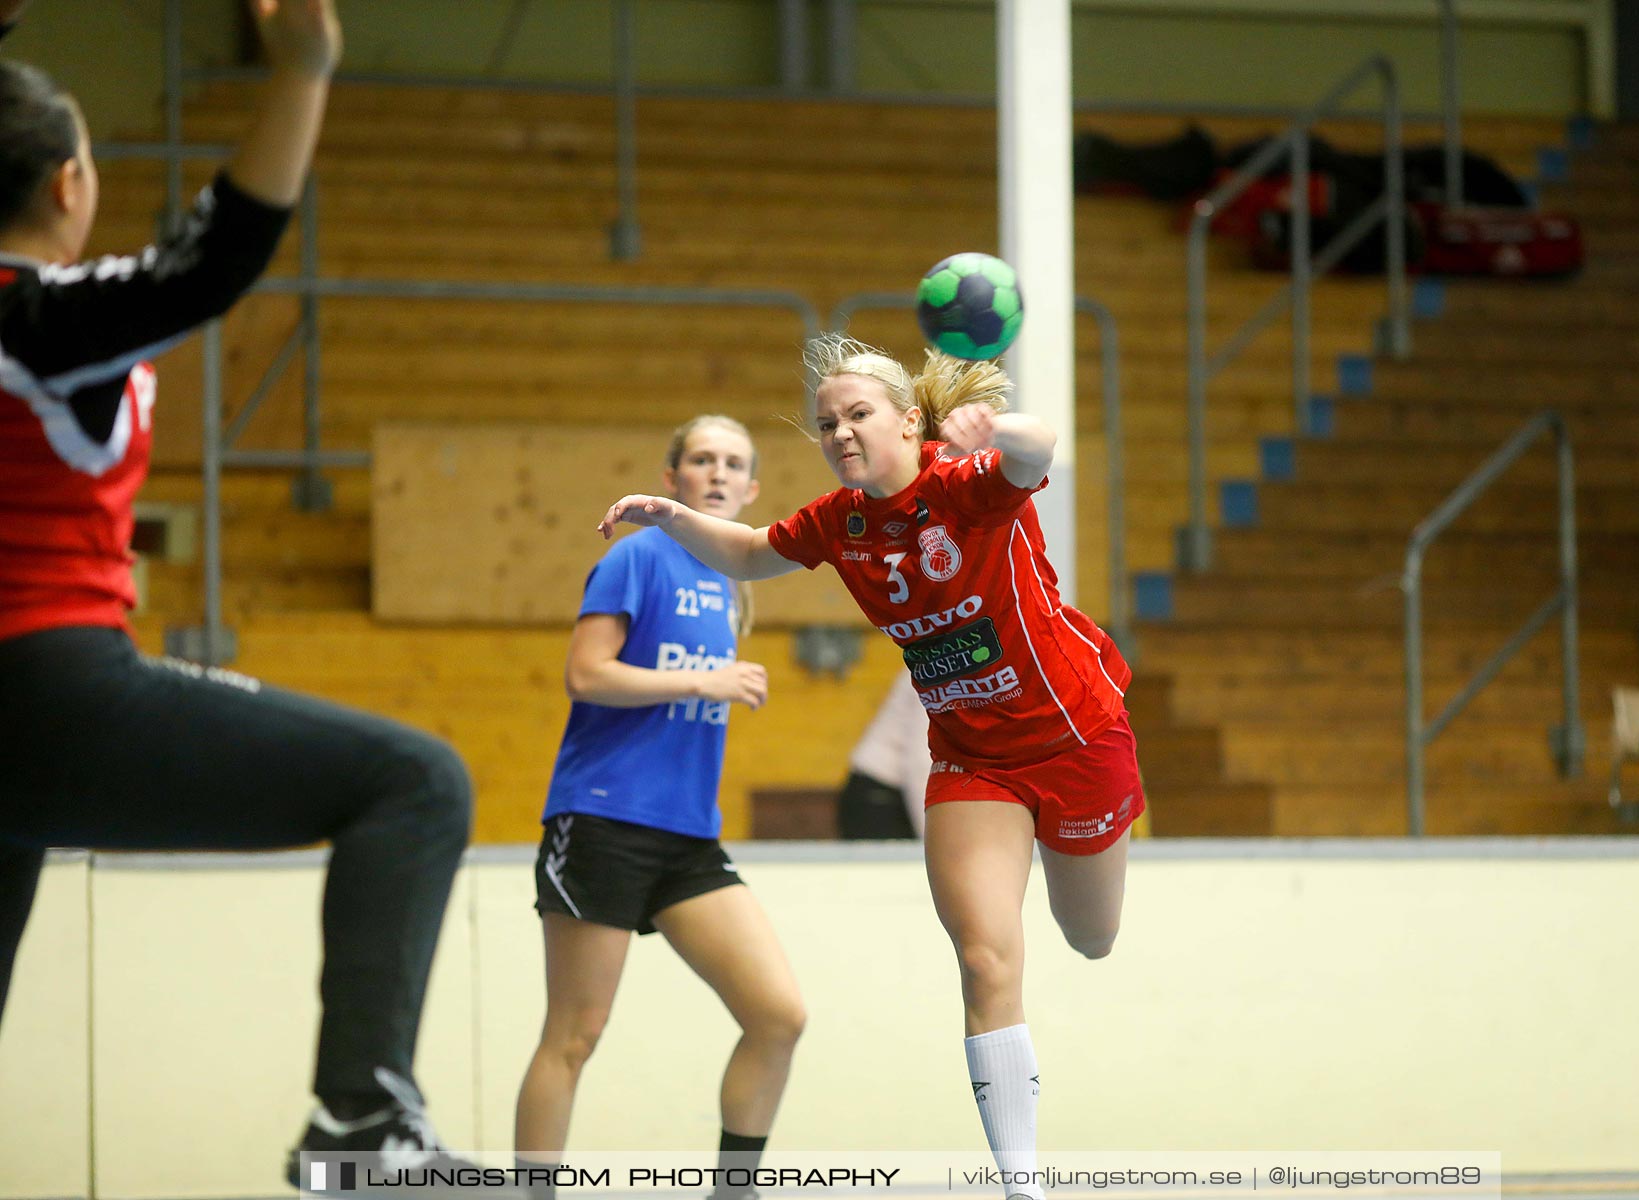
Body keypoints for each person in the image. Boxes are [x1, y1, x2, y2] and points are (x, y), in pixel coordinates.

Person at [0, 2, 519, 1190]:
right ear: (71, 182)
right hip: (48, 687)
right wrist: (302, 74)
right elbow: (212, 256)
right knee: (415, 780)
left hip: (20, 731)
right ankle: (361, 1122)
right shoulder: (36, 321)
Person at [600, 336, 1143, 1200]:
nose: (841, 433)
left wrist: (993, 430)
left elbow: (1041, 449)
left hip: (1077, 738)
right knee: (984, 961)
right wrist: (670, 518)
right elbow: (748, 552)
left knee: (1092, 938)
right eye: (827, 423)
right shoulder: (839, 521)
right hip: (973, 763)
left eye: (858, 416)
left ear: (908, 421)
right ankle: (1023, 1186)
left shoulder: (967, 482)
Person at [516, 416, 805, 1198]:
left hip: (688, 839)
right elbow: (588, 675)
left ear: (750, 490)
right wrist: (700, 681)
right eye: (701, 458)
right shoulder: (637, 557)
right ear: (672, 477)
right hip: (604, 819)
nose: (716, 472)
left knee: (778, 1014)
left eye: (733, 463)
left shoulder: (733, 581)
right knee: (575, 1034)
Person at [838, 667, 931, 838]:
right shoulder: (939, 665)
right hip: (879, 797)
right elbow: (922, 763)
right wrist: (930, 840)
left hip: (904, 796)